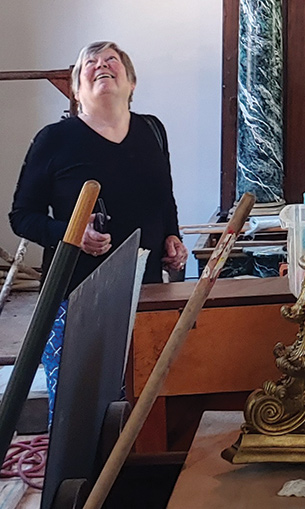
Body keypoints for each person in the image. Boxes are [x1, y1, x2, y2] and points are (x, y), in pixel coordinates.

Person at [9, 40, 188, 417]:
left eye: (112, 60)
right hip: (74, 297)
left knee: (143, 407)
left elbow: (163, 199)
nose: (101, 65)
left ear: (131, 82)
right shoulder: (53, 140)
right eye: (89, 62)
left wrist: (173, 236)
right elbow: (22, 215)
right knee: (78, 410)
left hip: (146, 295)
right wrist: (71, 234)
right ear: (75, 88)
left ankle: (138, 474)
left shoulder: (153, 130)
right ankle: (75, 476)